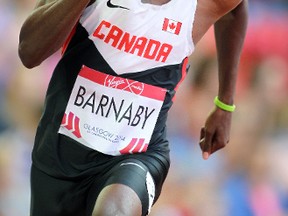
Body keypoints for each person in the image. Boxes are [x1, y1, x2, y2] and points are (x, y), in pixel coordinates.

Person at [18, 0, 248, 215]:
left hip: (139, 153)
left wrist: (225, 104)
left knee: (114, 209)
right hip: (60, 154)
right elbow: (29, 52)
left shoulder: (196, 5)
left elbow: (236, 10)